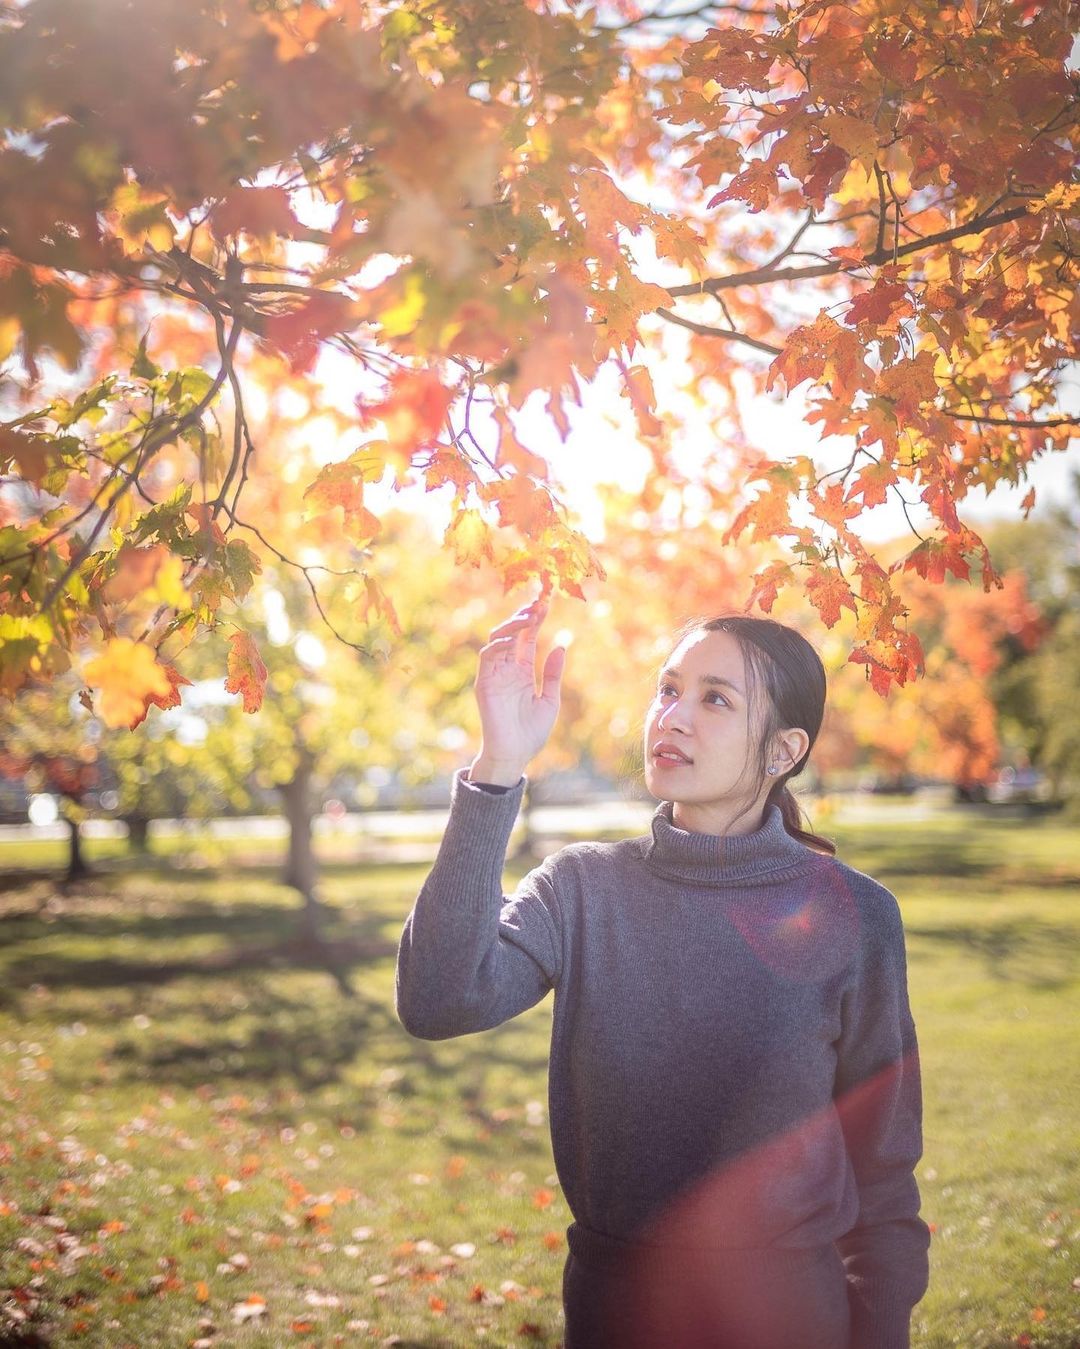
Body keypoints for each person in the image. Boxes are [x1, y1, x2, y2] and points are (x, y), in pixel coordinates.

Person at [395, 597, 931, 1349]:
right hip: (618, 1315)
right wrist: (498, 766)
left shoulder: (858, 915)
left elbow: (883, 1166)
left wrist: (879, 1331)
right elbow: (437, 997)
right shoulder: (582, 888)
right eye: (669, 687)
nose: (671, 717)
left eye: (716, 698)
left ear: (782, 750)